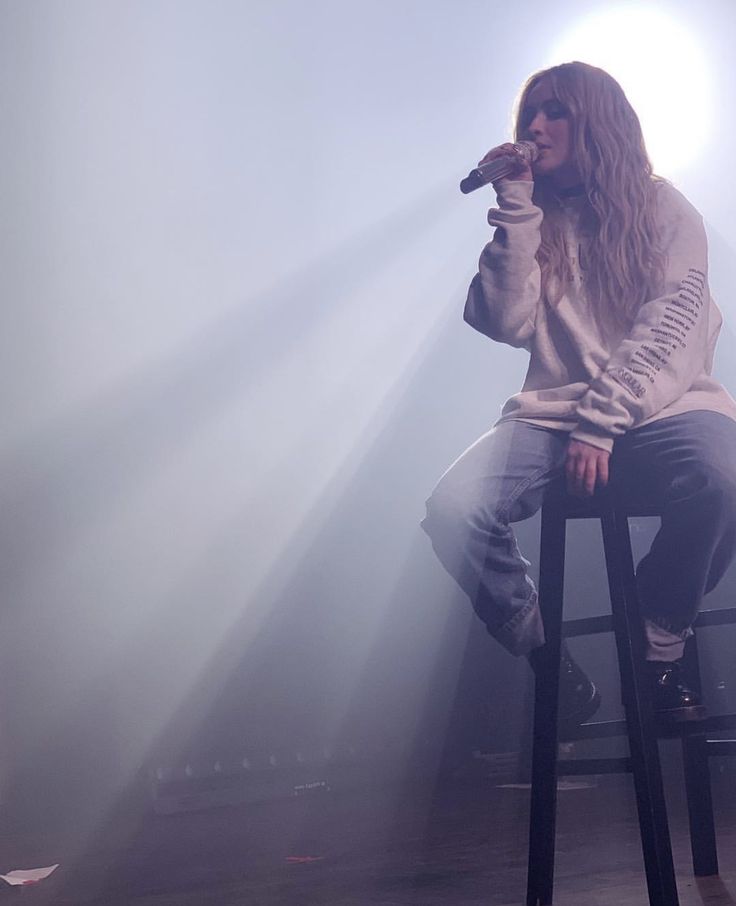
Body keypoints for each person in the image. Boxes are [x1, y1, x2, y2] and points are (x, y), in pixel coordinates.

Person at [422, 61, 736, 726]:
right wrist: (514, 204)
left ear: (598, 120)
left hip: (666, 403)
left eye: (556, 111)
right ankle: (550, 664)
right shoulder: (533, 218)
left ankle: (653, 650)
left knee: (723, 479)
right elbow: (501, 320)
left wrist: (602, 421)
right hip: (555, 410)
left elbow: (670, 328)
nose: (535, 126)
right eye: (531, 114)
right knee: (453, 508)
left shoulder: (663, 207)